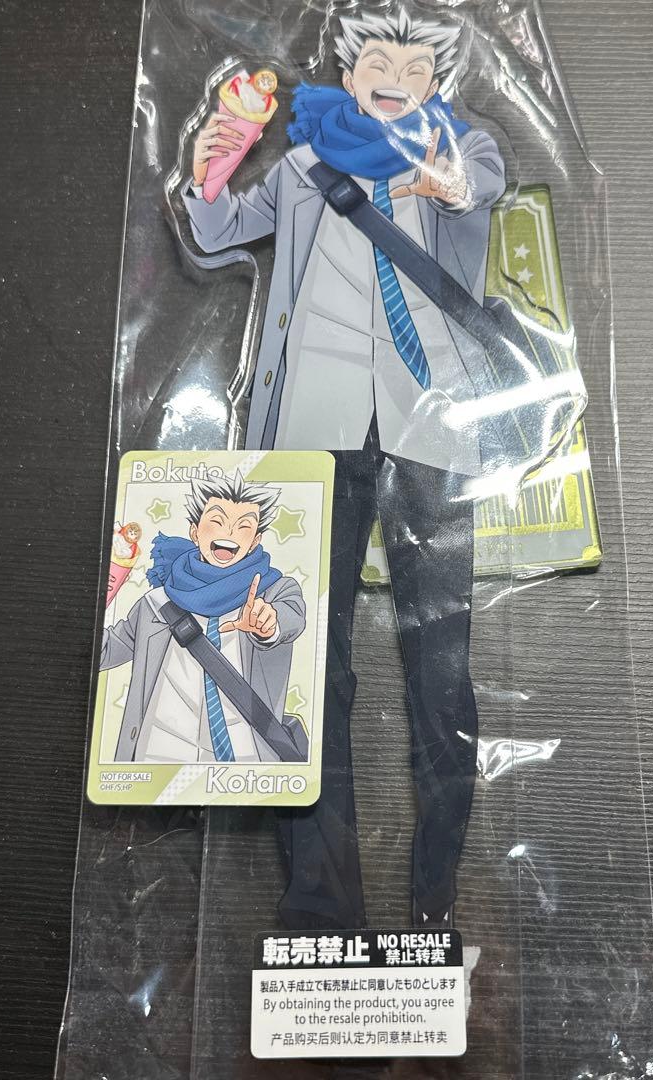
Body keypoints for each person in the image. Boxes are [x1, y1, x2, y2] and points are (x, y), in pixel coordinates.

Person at [181, 5, 506, 929]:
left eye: (413, 64)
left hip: (428, 427)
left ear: (436, 79)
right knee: (308, 666)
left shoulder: (459, 149)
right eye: (376, 60)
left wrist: (426, 167)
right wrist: (211, 165)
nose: (393, 76)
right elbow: (216, 232)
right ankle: (322, 905)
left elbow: (474, 185)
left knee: (440, 669)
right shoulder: (301, 165)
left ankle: (437, 899)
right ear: (349, 68)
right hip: (312, 430)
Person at [102, 474, 305, 764]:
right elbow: (103, 653)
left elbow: (291, 618)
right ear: (195, 532)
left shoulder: (276, 591)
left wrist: (267, 625)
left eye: (244, 526)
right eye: (217, 521)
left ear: (255, 541)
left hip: (246, 759)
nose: (229, 532)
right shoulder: (156, 603)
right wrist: (103, 587)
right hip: (159, 753)